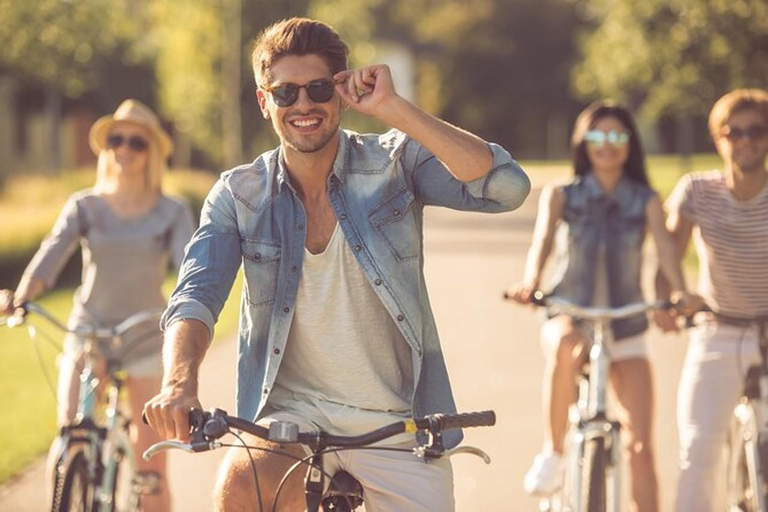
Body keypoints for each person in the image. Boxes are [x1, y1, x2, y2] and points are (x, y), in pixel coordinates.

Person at [142, 17, 530, 511]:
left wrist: (394, 109)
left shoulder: (394, 165)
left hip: (399, 425)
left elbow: (506, 188)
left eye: (319, 88)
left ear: (341, 93)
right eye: (285, 93)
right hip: (291, 422)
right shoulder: (239, 194)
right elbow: (196, 294)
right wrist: (179, 384)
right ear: (265, 102)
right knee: (238, 488)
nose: (303, 104)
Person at [0, 99, 195, 511]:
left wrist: (190, 311)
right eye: (115, 140)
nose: (123, 148)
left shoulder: (171, 211)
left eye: (136, 142)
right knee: (70, 434)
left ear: (153, 152)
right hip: (88, 331)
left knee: (151, 468)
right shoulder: (84, 206)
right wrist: (21, 296)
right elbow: (50, 255)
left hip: (144, 335)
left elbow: (189, 269)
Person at [504, 101, 697, 512]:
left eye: (617, 136)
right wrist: (530, 282)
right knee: (567, 345)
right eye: (597, 136)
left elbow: (666, 253)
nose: (606, 145)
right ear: (583, 143)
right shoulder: (562, 194)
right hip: (570, 312)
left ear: (630, 144)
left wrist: (679, 293)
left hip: (626, 324)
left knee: (641, 446)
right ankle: (554, 452)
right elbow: (541, 243)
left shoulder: (645, 199)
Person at [655, 88, 768, 512]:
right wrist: (667, 299)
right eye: (733, 132)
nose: (745, 140)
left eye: (756, 131)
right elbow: (667, 256)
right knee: (699, 454)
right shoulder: (696, 191)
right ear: (718, 139)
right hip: (717, 331)